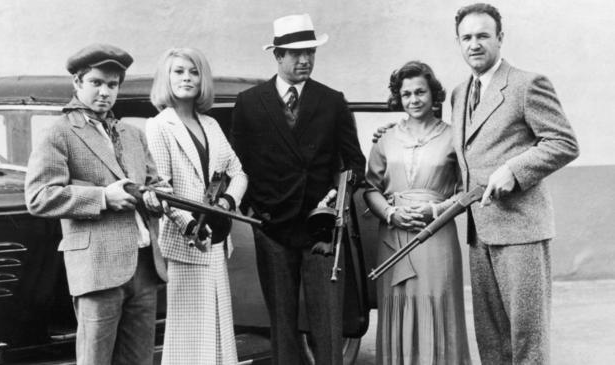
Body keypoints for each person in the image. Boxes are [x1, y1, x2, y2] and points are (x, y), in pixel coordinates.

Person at [375, 4, 580, 363]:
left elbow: (564, 143)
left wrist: (515, 171)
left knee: (526, 339)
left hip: (521, 230)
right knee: (492, 338)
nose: (475, 44)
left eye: (483, 35)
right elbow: (452, 152)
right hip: (478, 232)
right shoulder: (458, 93)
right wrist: (388, 135)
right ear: (458, 43)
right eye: (467, 37)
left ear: (500, 38)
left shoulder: (527, 84)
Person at [231, 13, 366, 365]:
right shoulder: (249, 102)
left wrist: (333, 205)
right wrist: (253, 211)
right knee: (282, 322)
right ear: (277, 56)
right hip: (272, 227)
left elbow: (354, 163)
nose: (305, 60)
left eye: (310, 52)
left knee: (328, 323)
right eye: (295, 53)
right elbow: (237, 164)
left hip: (320, 229)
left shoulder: (332, 100)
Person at [24, 44, 169, 365]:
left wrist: (157, 199)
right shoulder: (59, 133)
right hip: (98, 269)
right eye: (96, 83)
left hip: (144, 267)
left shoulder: (132, 134)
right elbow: (38, 197)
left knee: (139, 361)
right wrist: (103, 198)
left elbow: (155, 185)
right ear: (77, 83)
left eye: (113, 85)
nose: (105, 92)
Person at [146, 47, 247, 365]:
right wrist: (190, 224)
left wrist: (228, 202)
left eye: (194, 72)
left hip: (216, 239)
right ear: (166, 77)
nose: (187, 78)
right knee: (189, 336)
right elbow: (162, 190)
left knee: (218, 327)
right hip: (185, 241)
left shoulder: (212, 125)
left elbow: (239, 172)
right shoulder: (160, 126)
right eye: (178, 71)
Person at [365, 61, 471, 364]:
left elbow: (466, 192)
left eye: (420, 92)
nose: (414, 100)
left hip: (435, 234)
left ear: (433, 94)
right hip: (392, 236)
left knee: (436, 304)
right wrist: (389, 214)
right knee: (398, 304)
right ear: (399, 98)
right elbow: (370, 187)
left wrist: (434, 210)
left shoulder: (455, 137)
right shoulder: (385, 139)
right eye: (407, 94)